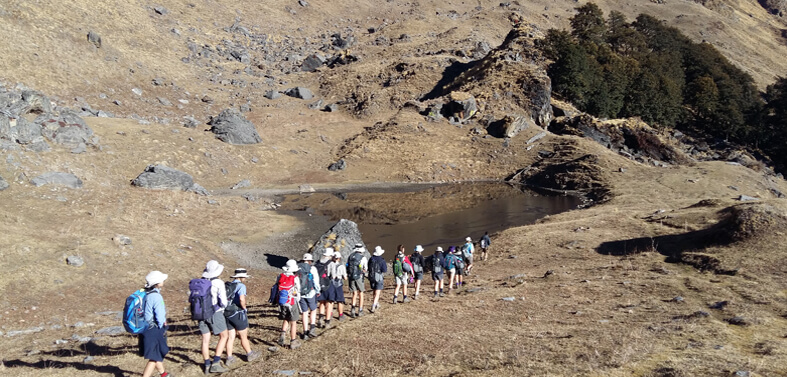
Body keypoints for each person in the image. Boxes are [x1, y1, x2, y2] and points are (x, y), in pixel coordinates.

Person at [198, 260, 230, 374]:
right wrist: (223, 307)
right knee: (224, 336)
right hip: (214, 312)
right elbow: (224, 301)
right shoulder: (218, 282)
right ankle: (216, 362)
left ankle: (207, 364)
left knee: (205, 340)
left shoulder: (200, 282)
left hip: (201, 313)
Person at [224, 268, 260, 367]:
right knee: (243, 335)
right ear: (242, 277)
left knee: (231, 337)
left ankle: (229, 358)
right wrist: (244, 308)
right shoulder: (241, 286)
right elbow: (241, 299)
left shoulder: (229, 285)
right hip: (237, 313)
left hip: (227, 313)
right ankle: (250, 354)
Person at [139, 271, 172, 377]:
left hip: (145, 327)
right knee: (154, 357)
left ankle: (164, 374)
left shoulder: (145, 293)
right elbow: (159, 315)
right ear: (157, 282)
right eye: (161, 280)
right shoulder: (156, 296)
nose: (163, 281)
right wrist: (163, 325)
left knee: (155, 353)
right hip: (154, 328)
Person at [276, 259, 302, 349]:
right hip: (291, 302)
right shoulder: (295, 278)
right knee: (293, 322)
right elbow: (297, 290)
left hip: (282, 302)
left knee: (286, 318)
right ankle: (293, 341)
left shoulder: (280, 276)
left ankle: (282, 335)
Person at [297, 253, 321, 340]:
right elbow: (316, 281)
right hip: (311, 292)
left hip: (301, 294)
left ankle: (305, 332)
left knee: (304, 312)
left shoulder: (298, 267)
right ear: (310, 261)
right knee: (313, 310)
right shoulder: (312, 268)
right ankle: (312, 328)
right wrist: (318, 291)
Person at [324, 250, 348, 326]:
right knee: (340, 300)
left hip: (331, 283)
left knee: (330, 300)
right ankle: (340, 315)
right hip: (338, 284)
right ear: (339, 258)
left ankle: (330, 313)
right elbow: (345, 277)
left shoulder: (329, 264)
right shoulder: (341, 266)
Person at [346, 244, 368, 318]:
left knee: (354, 294)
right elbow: (365, 268)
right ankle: (360, 310)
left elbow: (347, 266)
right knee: (361, 293)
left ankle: (352, 309)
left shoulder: (350, 256)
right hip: (359, 277)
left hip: (351, 277)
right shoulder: (363, 258)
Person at [314, 248, 334, 328]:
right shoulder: (331, 263)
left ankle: (320, 318)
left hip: (319, 284)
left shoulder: (318, 262)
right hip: (328, 284)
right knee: (329, 303)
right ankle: (327, 322)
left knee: (321, 302)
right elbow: (333, 275)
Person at [368, 246, 388, 313]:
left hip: (371, 277)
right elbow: (384, 270)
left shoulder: (371, 259)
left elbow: (368, 268)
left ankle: (376, 303)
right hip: (379, 277)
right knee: (377, 292)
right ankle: (373, 305)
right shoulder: (382, 260)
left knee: (374, 291)